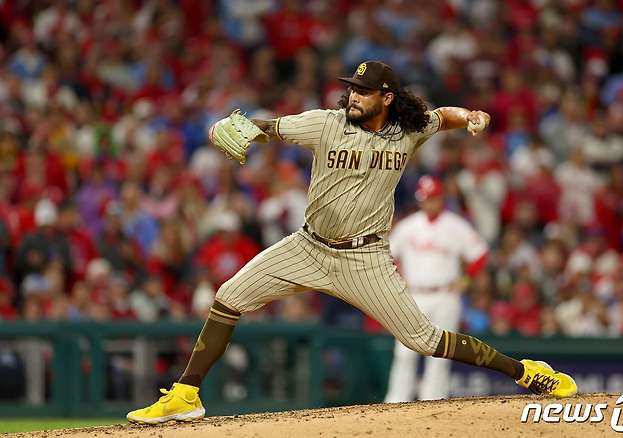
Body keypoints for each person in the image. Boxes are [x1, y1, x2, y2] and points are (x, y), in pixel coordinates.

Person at [127, 61, 577, 424]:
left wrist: (472, 117)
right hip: (307, 246)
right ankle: (186, 395)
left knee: (423, 340)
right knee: (227, 297)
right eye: (351, 89)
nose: (353, 96)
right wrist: (240, 127)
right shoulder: (325, 123)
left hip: (365, 257)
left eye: (363, 91)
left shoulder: (409, 129)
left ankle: (526, 372)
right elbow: (269, 128)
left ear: (387, 97)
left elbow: (443, 117)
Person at [384, 176, 488, 402]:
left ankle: (434, 401)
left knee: (441, 354)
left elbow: (480, 254)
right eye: (425, 199)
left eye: (432, 199)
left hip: (444, 295)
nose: (428, 203)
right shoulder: (408, 226)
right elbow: (387, 255)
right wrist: (396, 278)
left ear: (441, 198)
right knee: (404, 353)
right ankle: (396, 402)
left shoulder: (455, 225)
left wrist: (466, 280)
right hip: (412, 296)